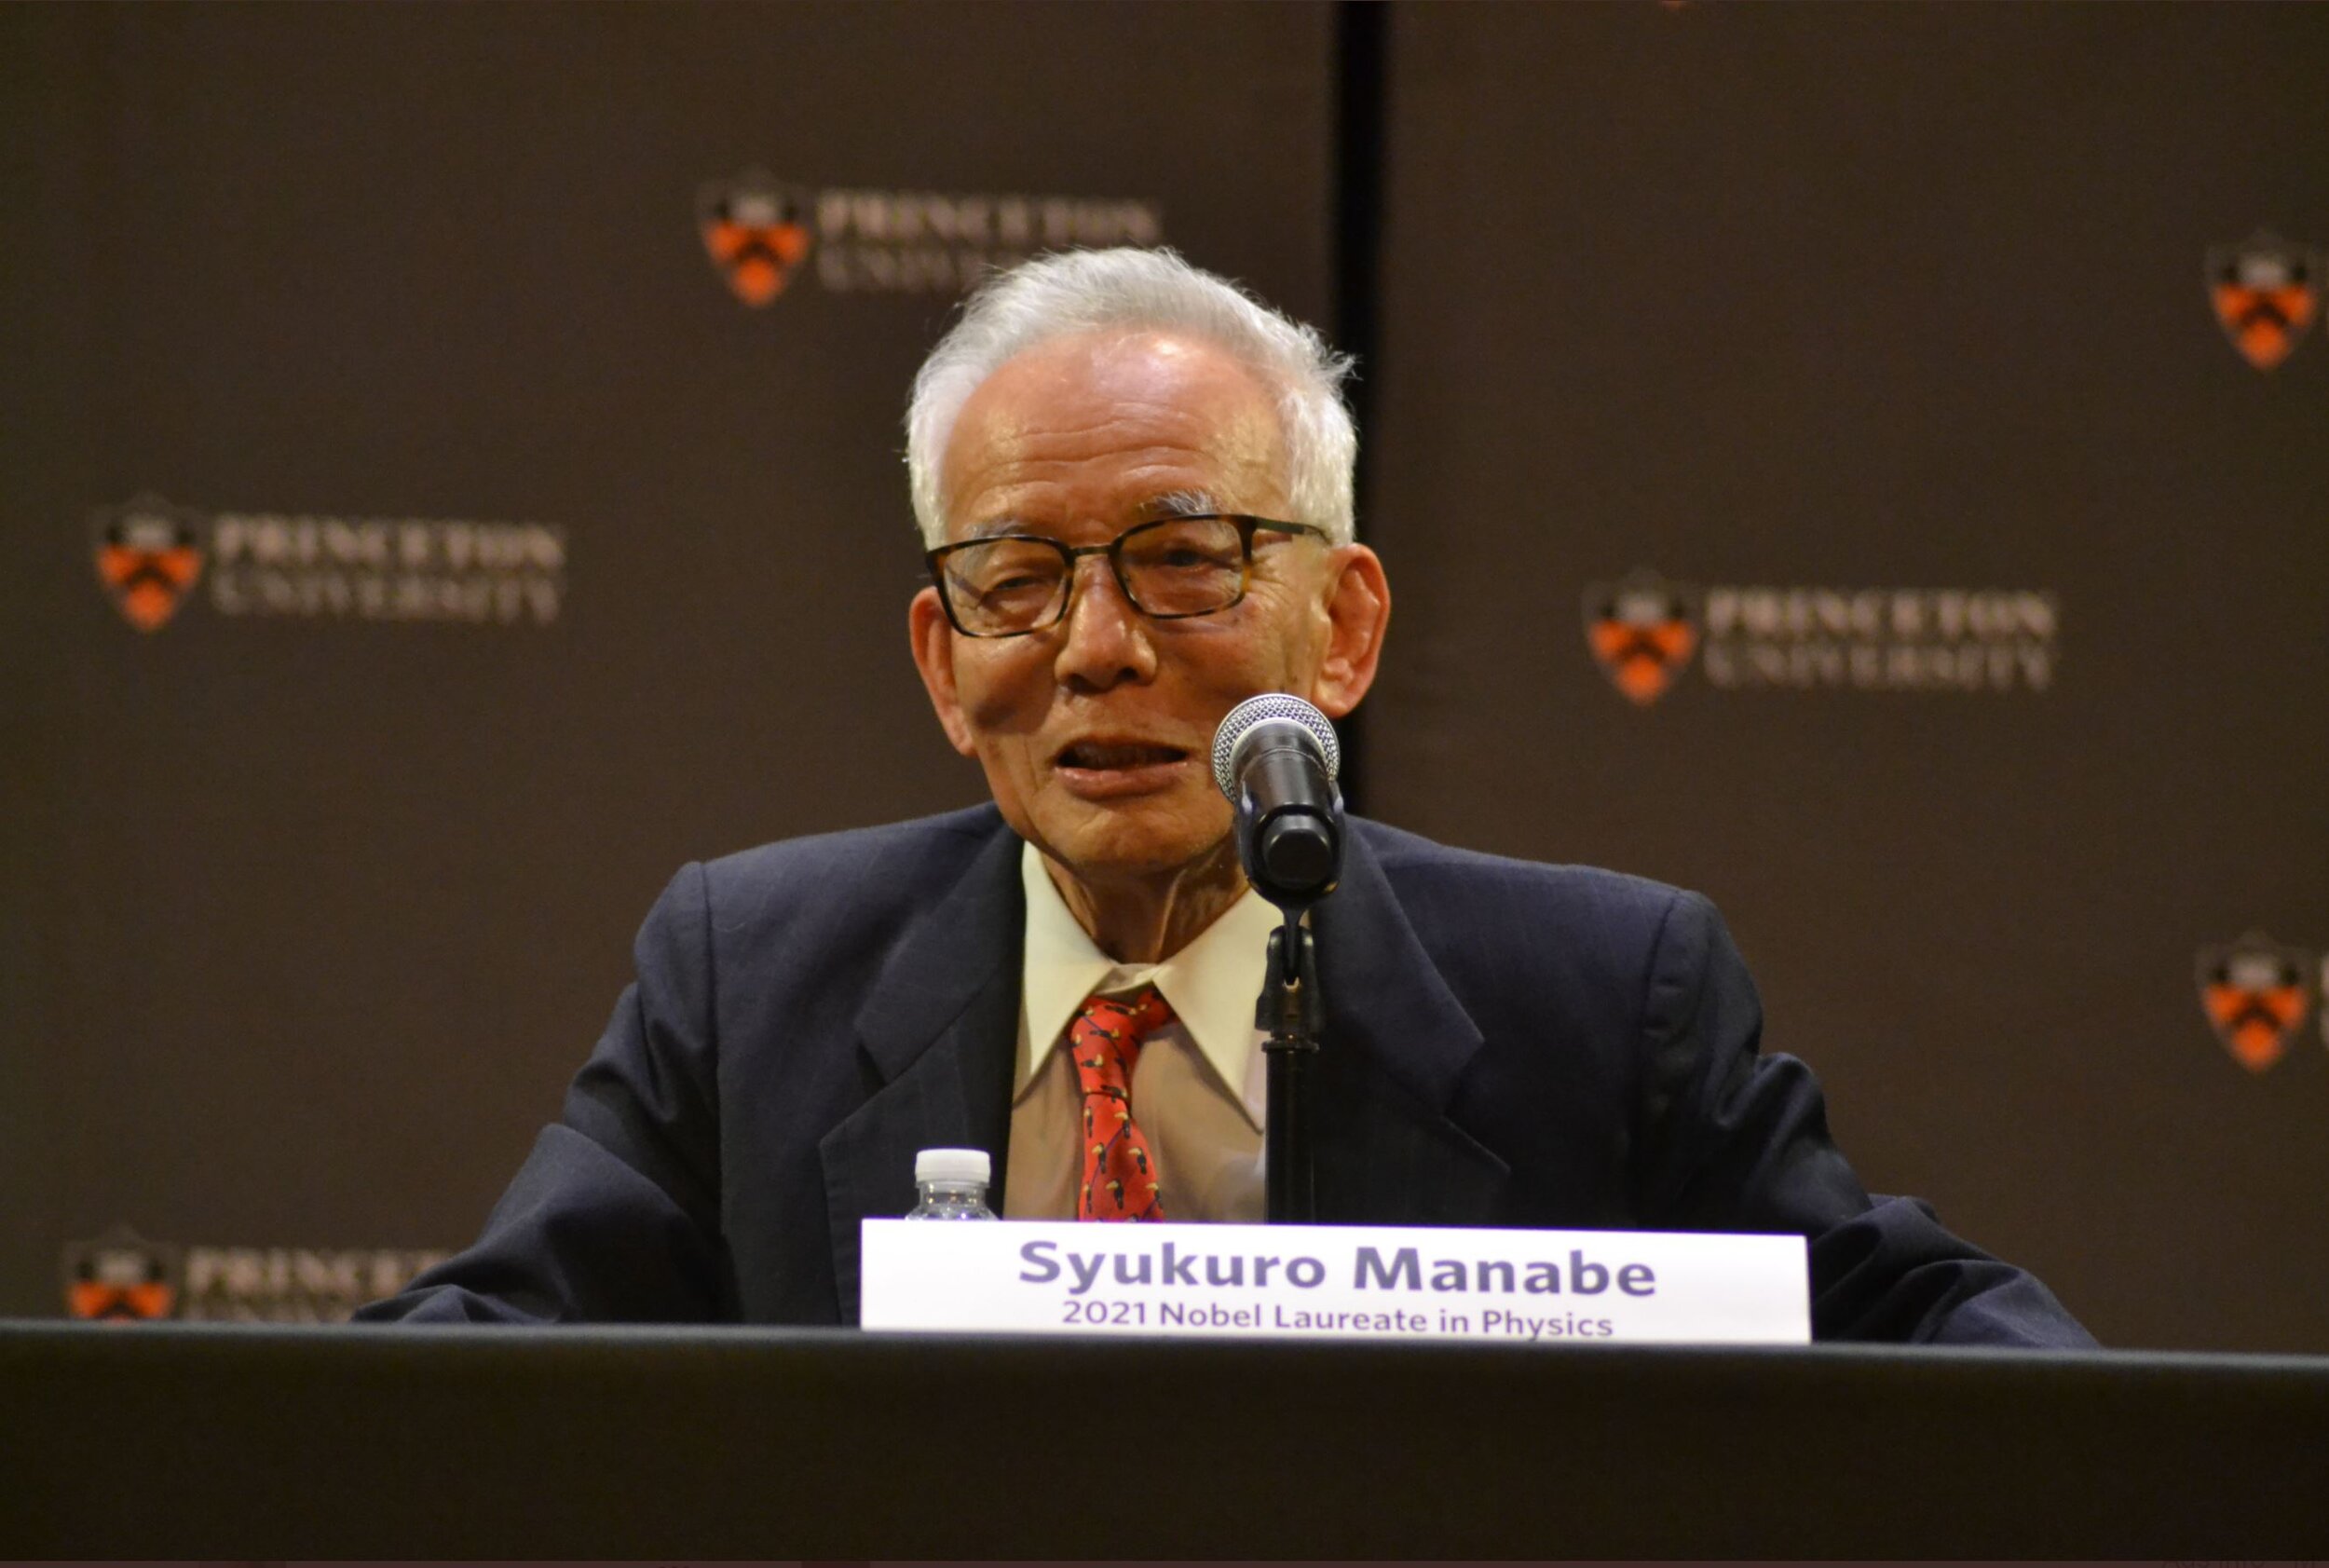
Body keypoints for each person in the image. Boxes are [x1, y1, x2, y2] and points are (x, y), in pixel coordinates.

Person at [358, 248, 2091, 1344]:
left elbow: (1933, 1342)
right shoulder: (751, 980)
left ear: (1343, 630)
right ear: (942, 664)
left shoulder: (1597, 999)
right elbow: (468, 1379)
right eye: (1016, 580)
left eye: (1186, 562)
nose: (1096, 648)